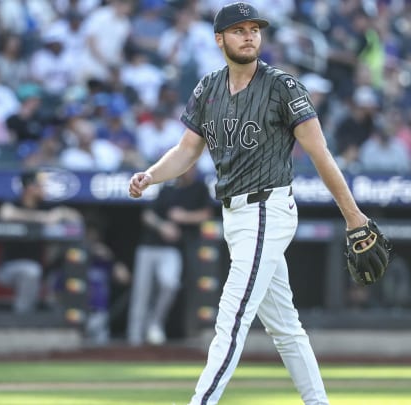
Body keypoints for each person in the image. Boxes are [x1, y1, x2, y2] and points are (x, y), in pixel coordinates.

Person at [128, 3, 370, 404]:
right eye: (239, 30)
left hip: (266, 210)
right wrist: (152, 175)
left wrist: (353, 216)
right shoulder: (208, 87)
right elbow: (187, 150)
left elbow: (321, 154)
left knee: (231, 318)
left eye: (254, 29)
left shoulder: (283, 87)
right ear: (220, 38)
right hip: (235, 215)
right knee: (286, 328)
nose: (249, 36)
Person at [127, 166, 213, 346]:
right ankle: (133, 339)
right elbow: (147, 215)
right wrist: (162, 226)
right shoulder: (167, 188)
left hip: (172, 248)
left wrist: (184, 217)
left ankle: (154, 323)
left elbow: (206, 214)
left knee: (170, 284)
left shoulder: (199, 188)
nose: (188, 171)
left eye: (192, 168)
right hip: (148, 246)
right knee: (141, 292)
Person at [0, 170, 83, 314]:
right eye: (40, 185)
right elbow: (5, 214)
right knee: (31, 270)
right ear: (29, 188)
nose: (44, 189)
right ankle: (22, 315)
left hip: (42, 268)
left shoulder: (47, 206)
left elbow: (76, 218)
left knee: (57, 265)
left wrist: (61, 213)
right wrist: (43, 218)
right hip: (9, 268)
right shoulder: (13, 204)